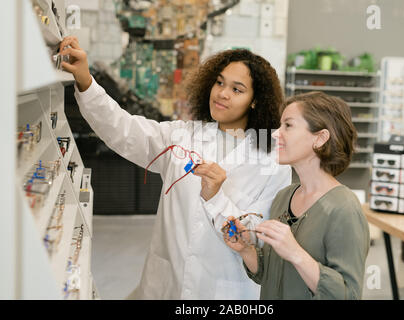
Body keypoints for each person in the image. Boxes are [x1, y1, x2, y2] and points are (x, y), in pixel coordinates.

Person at [58, 36, 292, 299]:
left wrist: (217, 197)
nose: (222, 93)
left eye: (237, 89)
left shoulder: (272, 161)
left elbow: (258, 240)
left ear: (255, 100)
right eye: (219, 82)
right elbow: (124, 129)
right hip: (168, 281)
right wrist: (85, 81)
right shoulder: (183, 136)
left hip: (223, 289)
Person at [224, 91, 370, 299]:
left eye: (288, 126)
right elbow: (272, 275)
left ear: (320, 138)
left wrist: (295, 253)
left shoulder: (344, 209)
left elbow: (348, 295)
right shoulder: (284, 197)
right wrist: (246, 249)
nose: (275, 134)